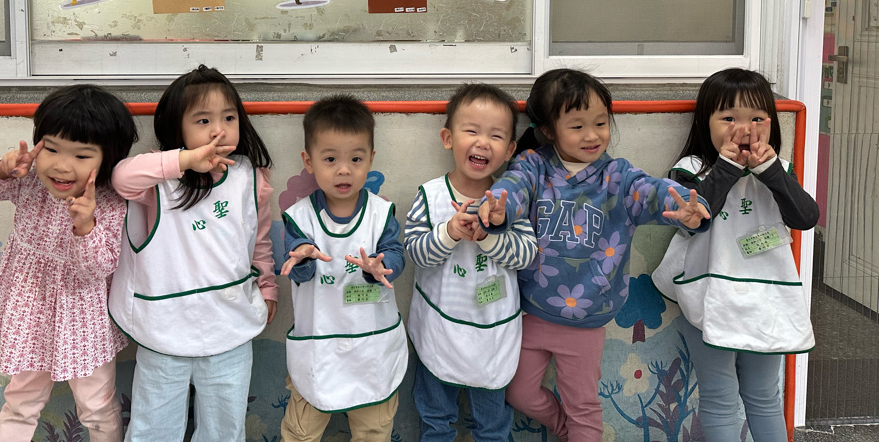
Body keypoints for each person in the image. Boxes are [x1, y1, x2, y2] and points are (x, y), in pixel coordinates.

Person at [484, 68, 711, 442]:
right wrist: (496, 210)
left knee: (583, 407)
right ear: (548, 130)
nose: (592, 135)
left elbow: (652, 191)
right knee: (518, 392)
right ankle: (567, 431)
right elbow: (512, 190)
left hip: (587, 317)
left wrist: (686, 206)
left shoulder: (618, 177)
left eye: (601, 123)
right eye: (577, 126)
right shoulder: (533, 166)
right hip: (530, 311)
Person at [0, 85, 138, 442]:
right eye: (51, 148)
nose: (62, 165)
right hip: (30, 314)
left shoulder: (111, 203)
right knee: (20, 403)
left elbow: (98, 269)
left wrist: (85, 227)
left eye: (82, 155)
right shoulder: (28, 182)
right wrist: (1, 170)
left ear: (108, 159)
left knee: (97, 407)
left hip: (85, 321)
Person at [107, 66, 276, 442]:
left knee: (224, 429)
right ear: (177, 127)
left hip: (230, 323)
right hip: (165, 328)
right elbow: (120, 178)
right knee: (154, 428)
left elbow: (258, 240)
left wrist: (267, 286)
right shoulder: (160, 179)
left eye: (228, 118)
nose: (219, 130)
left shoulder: (250, 177)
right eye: (203, 120)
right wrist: (183, 161)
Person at [652, 68, 818, 442]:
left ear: (772, 123)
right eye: (728, 118)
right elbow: (692, 223)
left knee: (764, 396)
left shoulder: (779, 170)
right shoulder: (690, 170)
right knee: (720, 397)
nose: (743, 129)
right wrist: (727, 168)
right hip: (709, 296)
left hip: (767, 298)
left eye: (757, 118)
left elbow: (806, 218)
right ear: (705, 122)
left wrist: (770, 171)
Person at [404, 84, 538, 442]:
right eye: (472, 131)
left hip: (493, 334)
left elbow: (526, 254)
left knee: (492, 428)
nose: (483, 143)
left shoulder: (510, 200)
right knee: (436, 422)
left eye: (496, 135)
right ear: (447, 138)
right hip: (439, 330)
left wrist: (488, 237)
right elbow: (416, 252)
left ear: (509, 149)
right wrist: (449, 232)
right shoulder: (430, 196)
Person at [279, 95, 407, 442]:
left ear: (371, 160)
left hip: (372, 351)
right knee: (300, 433)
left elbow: (395, 254)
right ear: (309, 161)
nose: (344, 170)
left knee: (373, 431)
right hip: (318, 350)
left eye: (356, 159)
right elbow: (297, 271)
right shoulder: (300, 217)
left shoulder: (381, 213)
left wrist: (382, 266)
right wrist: (303, 256)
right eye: (330, 159)